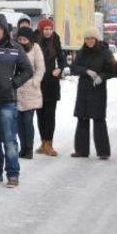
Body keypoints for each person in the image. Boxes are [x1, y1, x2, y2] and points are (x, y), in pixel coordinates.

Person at [0, 14, 33, 188]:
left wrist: (14, 83)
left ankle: (13, 174)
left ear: (4, 31)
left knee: (9, 139)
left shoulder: (15, 48)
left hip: (7, 101)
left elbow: (27, 70)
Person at [70, 27, 116, 160]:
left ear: (97, 39)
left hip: (98, 90)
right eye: (87, 38)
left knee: (98, 119)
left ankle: (103, 151)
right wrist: (86, 71)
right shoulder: (82, 52)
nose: (89, 41)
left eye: (91, 38)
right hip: (84, 89)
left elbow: (112, 69)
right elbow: (74, 67)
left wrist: (102, 76)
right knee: (82, 118)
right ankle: (81, 150)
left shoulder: (105, 52)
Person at [35, 19, 66, 156]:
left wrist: (59, 69)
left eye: (50, 29)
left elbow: (62, 58)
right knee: (40, 114)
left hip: (51, 82)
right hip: (38, 81)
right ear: (41, 30)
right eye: (45, 29)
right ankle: (43, 143)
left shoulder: (55, 39)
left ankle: (49, 143)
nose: (48, 31)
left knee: (50, 114)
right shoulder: (35, 40)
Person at [15, 27, 45, 159]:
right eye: (20, 39)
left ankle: (29, 148)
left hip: (30, 90)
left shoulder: (35, 48)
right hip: (16, 89)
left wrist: (35, 82)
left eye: (24, 39)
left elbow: (40, 68)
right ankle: (22, 147)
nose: (22, 42)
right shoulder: (14, 48)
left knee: (27, 121)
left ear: (30, 40)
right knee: (19, 122)